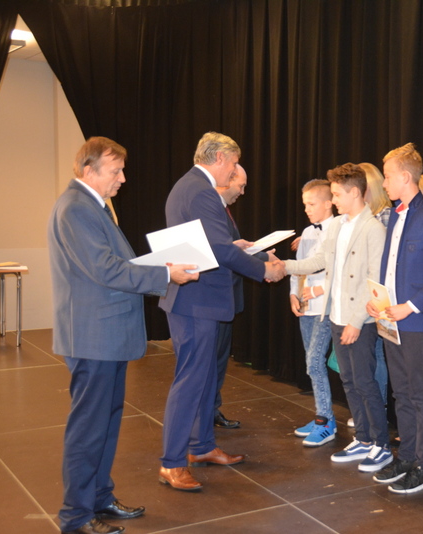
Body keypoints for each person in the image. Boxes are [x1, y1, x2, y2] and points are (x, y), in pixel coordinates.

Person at [48, 137, 198, 534]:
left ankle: (99, 497)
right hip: (93, 338)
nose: (123, 178)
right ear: (89, 171)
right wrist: (165, 274)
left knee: (106, 423)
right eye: (115, 171)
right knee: (88, 429)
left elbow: (113, 264)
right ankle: (76, 516)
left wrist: (160, 266)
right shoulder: (76, 208)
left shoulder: (91, 206)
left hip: (105, 337)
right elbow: (106, 270)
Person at [158, 132, 285, 492]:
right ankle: (172, 463)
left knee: (203, 379)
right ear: (219, 158)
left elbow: (212, 245)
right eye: (233, 163)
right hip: (196, 301)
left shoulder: (189, 186)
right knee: (190, 381)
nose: (233, 172)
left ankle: (200, 446)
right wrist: (263, 269)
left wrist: (234, 245)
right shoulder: (201, 191)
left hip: (195, 299)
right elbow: (218, 250)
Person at [282, 163, 389, 472]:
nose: (335, 200)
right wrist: (284, 266)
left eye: (338, 194)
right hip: (337, 316)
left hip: (360, 321)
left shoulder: (373, 229)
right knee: (349, 380)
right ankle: (364, 439)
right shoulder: (338, 225)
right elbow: (318, 260)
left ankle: (381, 444)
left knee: (366, 382)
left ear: (355, 193)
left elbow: (374, 281)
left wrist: (356, 321)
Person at [366, 143, 423, 494]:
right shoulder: (395, 216)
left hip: (416, 323)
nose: (384, 183)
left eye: (387, 177)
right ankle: (408, 457)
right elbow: (391, 269)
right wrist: (378, 301)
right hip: (391, 320)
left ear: (404, 177)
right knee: (401, 393)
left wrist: (411, 306)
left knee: (419, 395)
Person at [212, 164, 270, 429]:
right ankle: (205, 415)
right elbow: (223, 254)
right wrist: (263, 263)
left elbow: (231, 250)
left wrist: (261, 255)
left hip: (226, 299)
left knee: (219, 361)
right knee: (210, 362)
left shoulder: (223, 210)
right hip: (213, 299)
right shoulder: (212, 210)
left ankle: (212, 409)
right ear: (227, 178)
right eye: (241, 185)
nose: (243, 192)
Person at [290, 179, 337, 446]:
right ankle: (322, 414)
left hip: (326, 308)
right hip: (307, 307)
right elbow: (299, 268)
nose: (307, 209)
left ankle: (325, 421)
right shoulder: (307, 232)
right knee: (312, 364)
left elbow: (341, 270)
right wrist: (293, 294)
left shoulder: (339, 229)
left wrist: (319, 290)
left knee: (315, 361)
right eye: (304, 204)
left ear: (329, 203)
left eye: (312, 204)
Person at [360, 161, 390, 408]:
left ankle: (377, 408)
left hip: (378, 294)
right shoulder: (363, 218)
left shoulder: (384, 215)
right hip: (365, 294)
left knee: (376, 353)